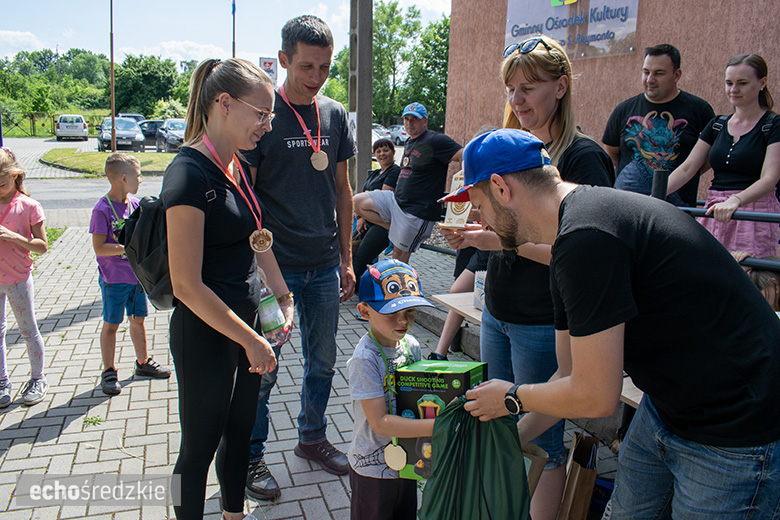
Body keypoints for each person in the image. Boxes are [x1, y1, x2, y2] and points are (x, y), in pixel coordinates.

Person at [446, 128, 780, 519]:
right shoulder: (571, 240)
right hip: (671, 405)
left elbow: (596, 396)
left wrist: (511, 396)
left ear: (501, 188)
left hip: (737, 427)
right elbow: (568, 376)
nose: (479, 218)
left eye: (478, 203)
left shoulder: (588, 239)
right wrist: (509, 438)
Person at [440, 36, 613, 520]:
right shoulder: (507, 146)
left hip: (546, 317)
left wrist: (493, 239)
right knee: (505, 426)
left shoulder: (581, 157)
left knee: (545, 440)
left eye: (529, 88)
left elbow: (577, 252)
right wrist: (480, 235)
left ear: (561, 87)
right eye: (511, 89)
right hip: (500, 307)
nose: (517, 100)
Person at [162, 58, 292, 520]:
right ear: (223, 104)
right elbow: (186, 285)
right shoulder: (188, 174)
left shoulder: (236, 166)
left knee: (239, 434)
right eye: (261, 114)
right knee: (198, 450)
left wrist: (282, 296)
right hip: (206, 332)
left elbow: (256, 239)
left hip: (244, 326)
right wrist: (251, 340)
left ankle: (234, 514)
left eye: (271, 116)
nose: (267, 125)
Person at [242, 15, 357, 500]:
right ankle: (249, 459)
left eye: (326, 68)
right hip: (276, 272)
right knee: (265, 365)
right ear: (284, 59)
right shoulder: (262, 116)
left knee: (323, 362)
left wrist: (348, 258)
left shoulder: (333, 114)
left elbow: (343, 190)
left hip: (325, 267)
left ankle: (311, 438)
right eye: (307, 66)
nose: (316, 77)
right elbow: (244, 195)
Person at [347, 259, 435, 520]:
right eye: (390, 312)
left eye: (409, 312)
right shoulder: (365, 358)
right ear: (364, 311)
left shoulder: (412, 345)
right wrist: (437, 427)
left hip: (408, 458)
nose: (402, 320)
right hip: (372, 467)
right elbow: (381, 423)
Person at [667, 53, 780, 258]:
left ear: (762, 82)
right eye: (729, 83)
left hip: (752, 211)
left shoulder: (773, 125)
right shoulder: (717, 124)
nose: (733, 90)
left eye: (742, 83)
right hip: (715, 211)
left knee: (750, 276)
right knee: (710, 275)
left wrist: (736, 200)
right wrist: (654, 195)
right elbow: (687, 168)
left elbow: (770, 178)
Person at [89, 153, 171, 396]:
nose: (141, 180)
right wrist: (128, 248)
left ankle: (143, 363)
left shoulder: (136, 205)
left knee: (138, 320)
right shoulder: (102, 209)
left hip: (137, 280)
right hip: (114, 281)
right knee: (112, 324)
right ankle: (109, 371)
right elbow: (99, 247)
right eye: (138, 175)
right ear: (123, 178)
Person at [603, 43, 715, 206]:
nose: (650, 79)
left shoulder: (699, 110)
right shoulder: (624, 109)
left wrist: (688, 173)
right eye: (646, 72)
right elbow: (613, 153)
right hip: (628, 208)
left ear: (677, 75)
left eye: (659, 73)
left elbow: (710, 155)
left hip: (677, 209)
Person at [353, 102, 462, 264]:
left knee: (399, 257)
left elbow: (463, 155)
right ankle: (394, 228)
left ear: (425, 121)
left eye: (414, 119)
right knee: (357, 201)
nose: (409, 123)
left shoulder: (436, 140)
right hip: (397, 204)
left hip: (418, 211)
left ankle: (401, 287)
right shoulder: (410, 141)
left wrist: (468, 179)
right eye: (406, 119)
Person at [0, 147, 48, 408]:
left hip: (17, 279)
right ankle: (2, 381)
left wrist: (15, 237)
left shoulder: (29, 206)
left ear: (16, 175)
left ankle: (37, 378)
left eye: (2, 183)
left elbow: (42, 245)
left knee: (28, 330)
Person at [353, 138, 400, 288]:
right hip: (367, 221)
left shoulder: (395, 171)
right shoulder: (374, 173)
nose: (382, 154)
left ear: (393, 152)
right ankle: (365, 288)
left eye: (386, 150)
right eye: (378, 151)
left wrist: (363, 210)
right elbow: (364, 195)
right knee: (353, 253)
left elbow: (381, 199)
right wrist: (360, 217)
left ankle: (343, 288)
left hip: (383, 224)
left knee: (360, 258)